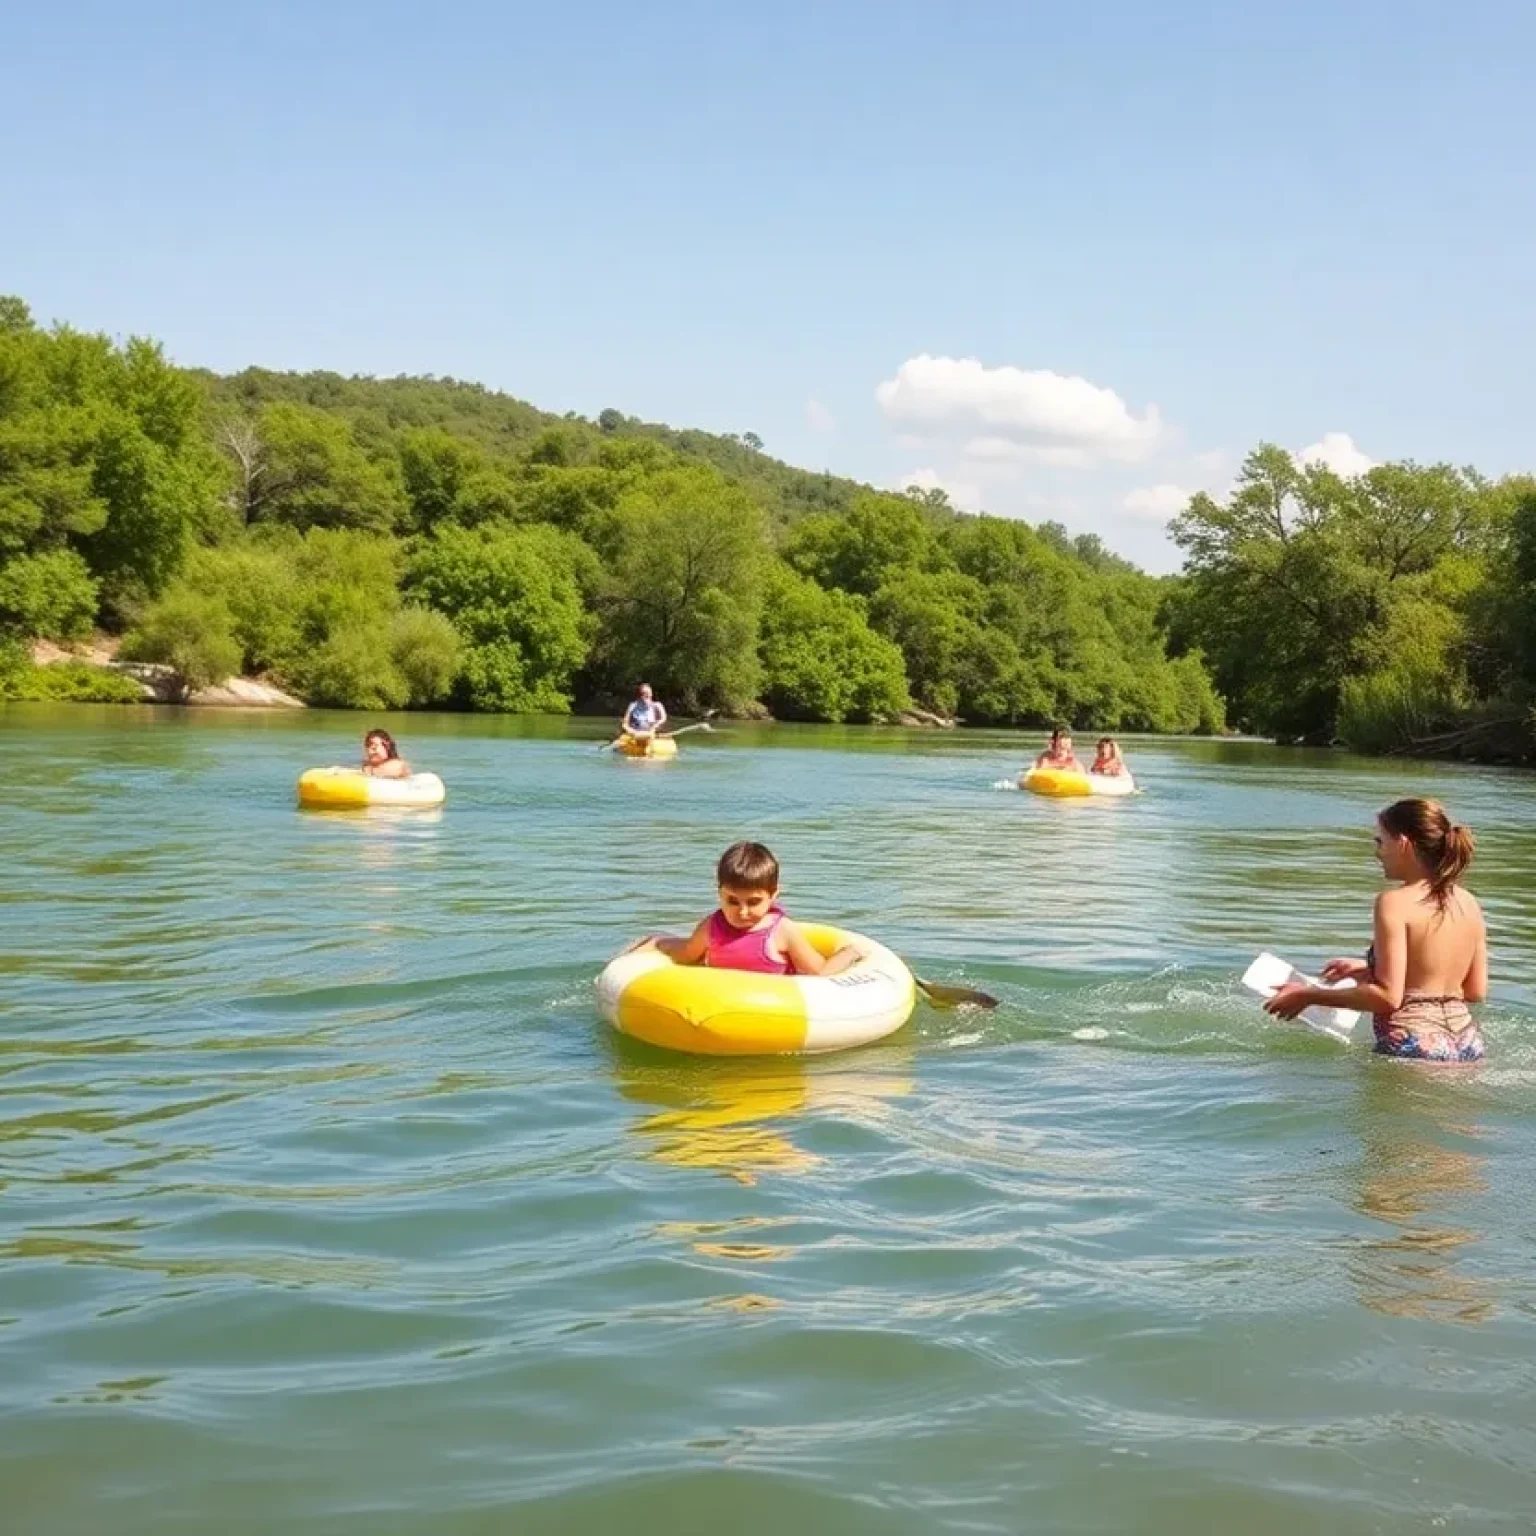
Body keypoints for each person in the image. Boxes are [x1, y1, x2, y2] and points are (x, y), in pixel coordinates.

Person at [1264, 798, 1487, 1062]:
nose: (1377, 853)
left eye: (1380, 842)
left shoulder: (1393, 902)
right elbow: (1474, 990)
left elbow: (1387, 998)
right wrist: (1367, 970)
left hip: (1412, 1042)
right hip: (1467, 1043)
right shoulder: (1468, 902)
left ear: (1403, 843)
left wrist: (1307, 995)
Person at [638, 841, 864, 976]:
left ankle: (850, 952)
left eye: (754, 902)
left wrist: (847, 954)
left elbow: (819, 972)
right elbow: (686, 955)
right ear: (720, 894)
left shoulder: (783, 931)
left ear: (773, 895)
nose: (743, 912)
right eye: (732, 901)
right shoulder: (710, 927)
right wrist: (657, 945)